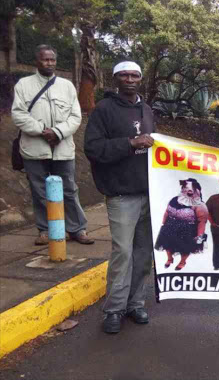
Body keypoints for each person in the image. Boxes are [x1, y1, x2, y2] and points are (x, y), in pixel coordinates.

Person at [84, 60, 156, 333]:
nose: (129, 79)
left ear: (140, 78)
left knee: (142, 253)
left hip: (149, 193)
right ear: (114, 79)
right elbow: (93, 148)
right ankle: (114, 309)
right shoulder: (103, 110)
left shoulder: (147, 110)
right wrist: (130, 143)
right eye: (123, 75)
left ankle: (135, 303)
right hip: (121, 194)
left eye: (134, 74)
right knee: (122, 253)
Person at [11, 44, 93, 246]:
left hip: (63, 149)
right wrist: (42, 130)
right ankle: (45, 230)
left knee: (69, 190)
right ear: (36, 61)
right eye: (45, 59)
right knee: (39, 191)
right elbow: (18, 115)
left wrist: (57, 132)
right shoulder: (23, 85)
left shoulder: (67, 86)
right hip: (34, 148)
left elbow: (75, 116)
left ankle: (77, 229)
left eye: (52, 60)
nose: (49, 63)